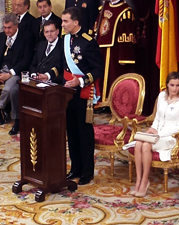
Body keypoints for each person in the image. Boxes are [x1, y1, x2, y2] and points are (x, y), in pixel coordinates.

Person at [61, 7, 104, 185]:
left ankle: (87, 172)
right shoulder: (64, 40)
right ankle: (75, 168)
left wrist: (79, 82)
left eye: (65, 21)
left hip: (83, 93)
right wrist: (47, 76)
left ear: (76, 22)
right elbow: (60, 65)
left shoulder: (88, 42)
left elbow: (98, 69)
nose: (62, 24)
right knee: (71, 131)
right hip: (66, 93)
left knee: (84, 133)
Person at [129, 71, 179, 197]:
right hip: (156, 134)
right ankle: (139, 181)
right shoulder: (162, 96)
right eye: (172, 85)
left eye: (177, 85)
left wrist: (158, 133)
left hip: (171, 137)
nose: (174, 88)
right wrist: (152, 129)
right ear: (167, 84)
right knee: (139, 143)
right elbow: (157, 118)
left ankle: (145, 181)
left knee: (146, 145)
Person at [93, 0, 136, 104]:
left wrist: (124, 56)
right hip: (100, 49)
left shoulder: (125, 11)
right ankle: (100, 101)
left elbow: (126, 36)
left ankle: (110, 102)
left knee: (111, 78)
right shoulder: (103, 7)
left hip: (114, 52)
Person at [0, 13, 34, 134]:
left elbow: (26, 60)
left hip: (16, 72)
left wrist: (10, 73)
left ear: (16, 25)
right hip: (1, 71)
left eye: (9, 27)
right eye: (4, 27)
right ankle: (1, 112)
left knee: (10, 90)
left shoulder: (26, 37)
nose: (6, 30)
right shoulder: (0, 37)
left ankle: (1, 108)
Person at [29, 20, 63, 84]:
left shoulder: (63, 46)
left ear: (57, 31)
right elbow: (33, 64)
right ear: (44, 33)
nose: (49, 34)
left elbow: (61, 66)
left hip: (54, 82)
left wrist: (47, 76)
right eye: (47, 32)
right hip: (38, 82)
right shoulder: (40, 45)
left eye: (52, 31)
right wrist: (34, 75)